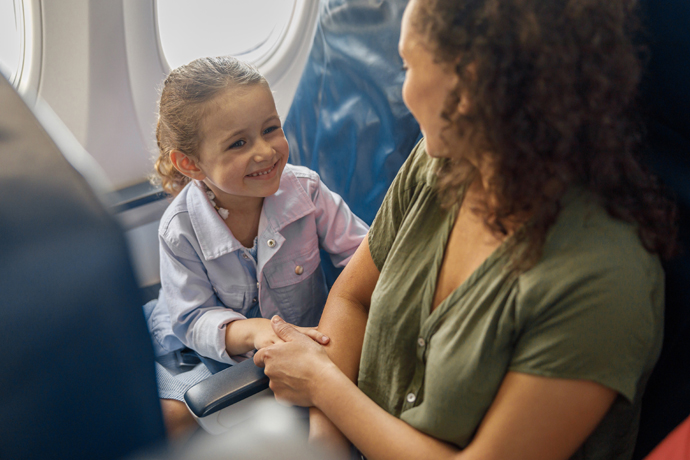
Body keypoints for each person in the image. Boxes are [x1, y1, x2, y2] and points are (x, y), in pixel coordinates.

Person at [253, 0, 678, 459]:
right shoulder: (442, 160)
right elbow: (353, 298)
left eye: (408, 66)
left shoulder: (604, 280)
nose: (404, 91)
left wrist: (322, 384)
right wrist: (326, 448)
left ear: (473, 84)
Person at [146, 56, 369, 438]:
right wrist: (253, 332)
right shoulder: (180, 229)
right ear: (191, 163)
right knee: (168, 421)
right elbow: (193, 319)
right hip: (203, 351)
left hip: (299, 339)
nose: (265, 151)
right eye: (238, 143)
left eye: (271, 129)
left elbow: (365, 257)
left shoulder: (307, 191)